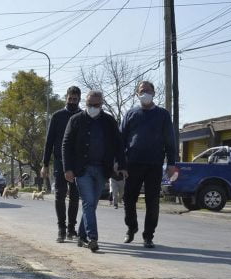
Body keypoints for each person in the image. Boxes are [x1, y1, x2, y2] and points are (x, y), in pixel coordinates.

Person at [62, 90, 126, 252]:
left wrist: (123, 165)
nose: (92, 107)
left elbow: (119, 144)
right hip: (82, 171)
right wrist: (67, 169)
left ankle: (81, 237)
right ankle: (93, 238)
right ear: (86, 103)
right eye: (90, 104)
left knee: (92, 205)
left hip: (102, 170)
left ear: (101, 104)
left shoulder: (109, 121)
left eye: (96, 105)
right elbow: (66, 145)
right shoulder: (75, 120)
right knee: (88, 202)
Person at [120, 81, 177, 248]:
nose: (145, 93)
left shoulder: (163, 115)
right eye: (142, 91)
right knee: (129, 198)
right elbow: (121, 140)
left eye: (148, 90)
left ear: (154, 93)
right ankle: (131, 228)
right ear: (137, 94)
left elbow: (170, 141)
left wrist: (171, 163)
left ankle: (148, 236)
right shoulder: (130, 114)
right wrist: (119, 162)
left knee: (152, 201)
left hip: (154, 164)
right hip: (133, 164)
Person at [42, 86, 82, 242]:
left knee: (74, 196)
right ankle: (61, 229)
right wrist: (45, 164)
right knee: (59, 196)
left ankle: (72, 228)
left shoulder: (82, 116)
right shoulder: (57, 116)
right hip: (59, 161)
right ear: (66, 98)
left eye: (75, 99)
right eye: (70, 98)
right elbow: (49, 141)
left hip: (77, 163)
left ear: (79, 99)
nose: (72, 101)